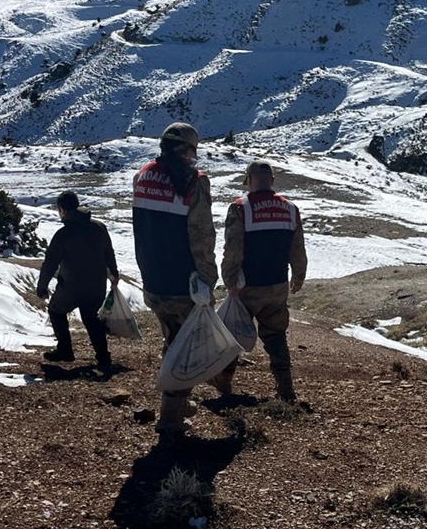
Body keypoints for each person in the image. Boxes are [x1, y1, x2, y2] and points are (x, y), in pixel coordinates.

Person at [132, 122, 218, 442]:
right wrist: (207, 278)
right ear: (188, 149)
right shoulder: (195, 181)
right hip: (184, 281)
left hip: (153, 277)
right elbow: (201, 235)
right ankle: (170, 418)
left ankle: (179, 402)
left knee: (173, 339)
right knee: (187, 347)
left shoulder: (142, 175)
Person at [215, 160, 307, 402]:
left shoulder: (240, 208)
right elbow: (297, 247)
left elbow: (233, 248)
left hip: (247, 286)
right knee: (276, 335)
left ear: (248, 180)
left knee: (233, 333)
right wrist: (298, 275)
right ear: (272, 181)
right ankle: (285, 389)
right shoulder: (290, 209)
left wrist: (230, 280)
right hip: (277, 284)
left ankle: (224, 384)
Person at [36, 190, 119, 372]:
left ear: (62, 210)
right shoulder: (99, 227)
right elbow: (109, 252)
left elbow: (50, 263)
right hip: (97, 284)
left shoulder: (63, 234)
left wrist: (42, 287)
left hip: (71, 287)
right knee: (90, 318)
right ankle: (104, 358)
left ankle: (65, 350)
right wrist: (114, 272)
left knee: (56, 311)